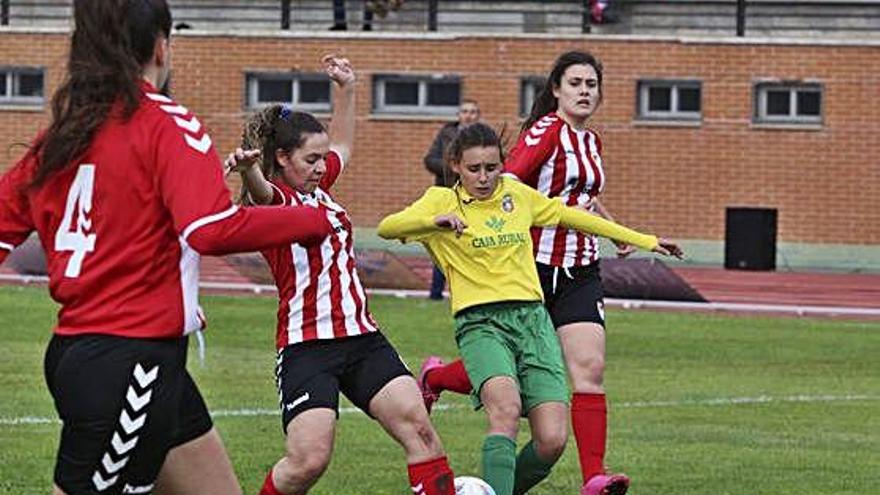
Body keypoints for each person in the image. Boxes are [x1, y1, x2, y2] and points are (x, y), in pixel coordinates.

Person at [0, 1, 334, 494]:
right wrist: (308, 219)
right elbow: (210, 230)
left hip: (98, 356)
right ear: (161, 45)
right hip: (131, 362)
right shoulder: (169, 125)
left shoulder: (62, 134)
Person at [377, 123, 682, 495]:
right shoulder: (440, 201)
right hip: (481, 322)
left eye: (493, 167)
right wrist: (431, 222)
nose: (485, 177)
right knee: (504, 411)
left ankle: (497, 489)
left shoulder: (516, 195)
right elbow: (387, 227)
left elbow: (573, 216)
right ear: (456, 165)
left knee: (552, 441)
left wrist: (644, 240)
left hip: (533, 322)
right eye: (475, 169)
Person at [418, 50, 661, 495]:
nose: (584, 91)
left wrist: (616, 230)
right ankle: (435, 378)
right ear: (556, 90)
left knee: (589, 366)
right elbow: (503, 184)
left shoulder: (592, 142)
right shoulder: (547, 132)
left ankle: (593, 478)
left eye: (591, 84)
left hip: (581, 266)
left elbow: (580, 197)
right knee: (510, 367)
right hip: (533, 265)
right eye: (575, 83)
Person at [225, 56, 455, 495]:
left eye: (321, 159)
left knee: (421, 433)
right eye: (310, 159)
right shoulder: (276, 201)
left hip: (363, 339)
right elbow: (260, 192)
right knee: (308, 460)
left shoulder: (320, 186)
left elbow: (344, 146)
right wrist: (250, 168)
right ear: (281, 159)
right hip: (306, 345)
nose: (320, 166)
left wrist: (346, 88)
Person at [423, 99, 480, 299]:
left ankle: (470, 291)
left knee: (471, 243)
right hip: (447, 195)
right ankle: (436, 293)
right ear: (459, 115)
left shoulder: (483, 136)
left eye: (473, 112)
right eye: (465, 111)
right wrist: (454, 168)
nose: (469, 115)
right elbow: (430, 160)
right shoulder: (446, 134)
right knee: (443, 242)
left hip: (473, 198)